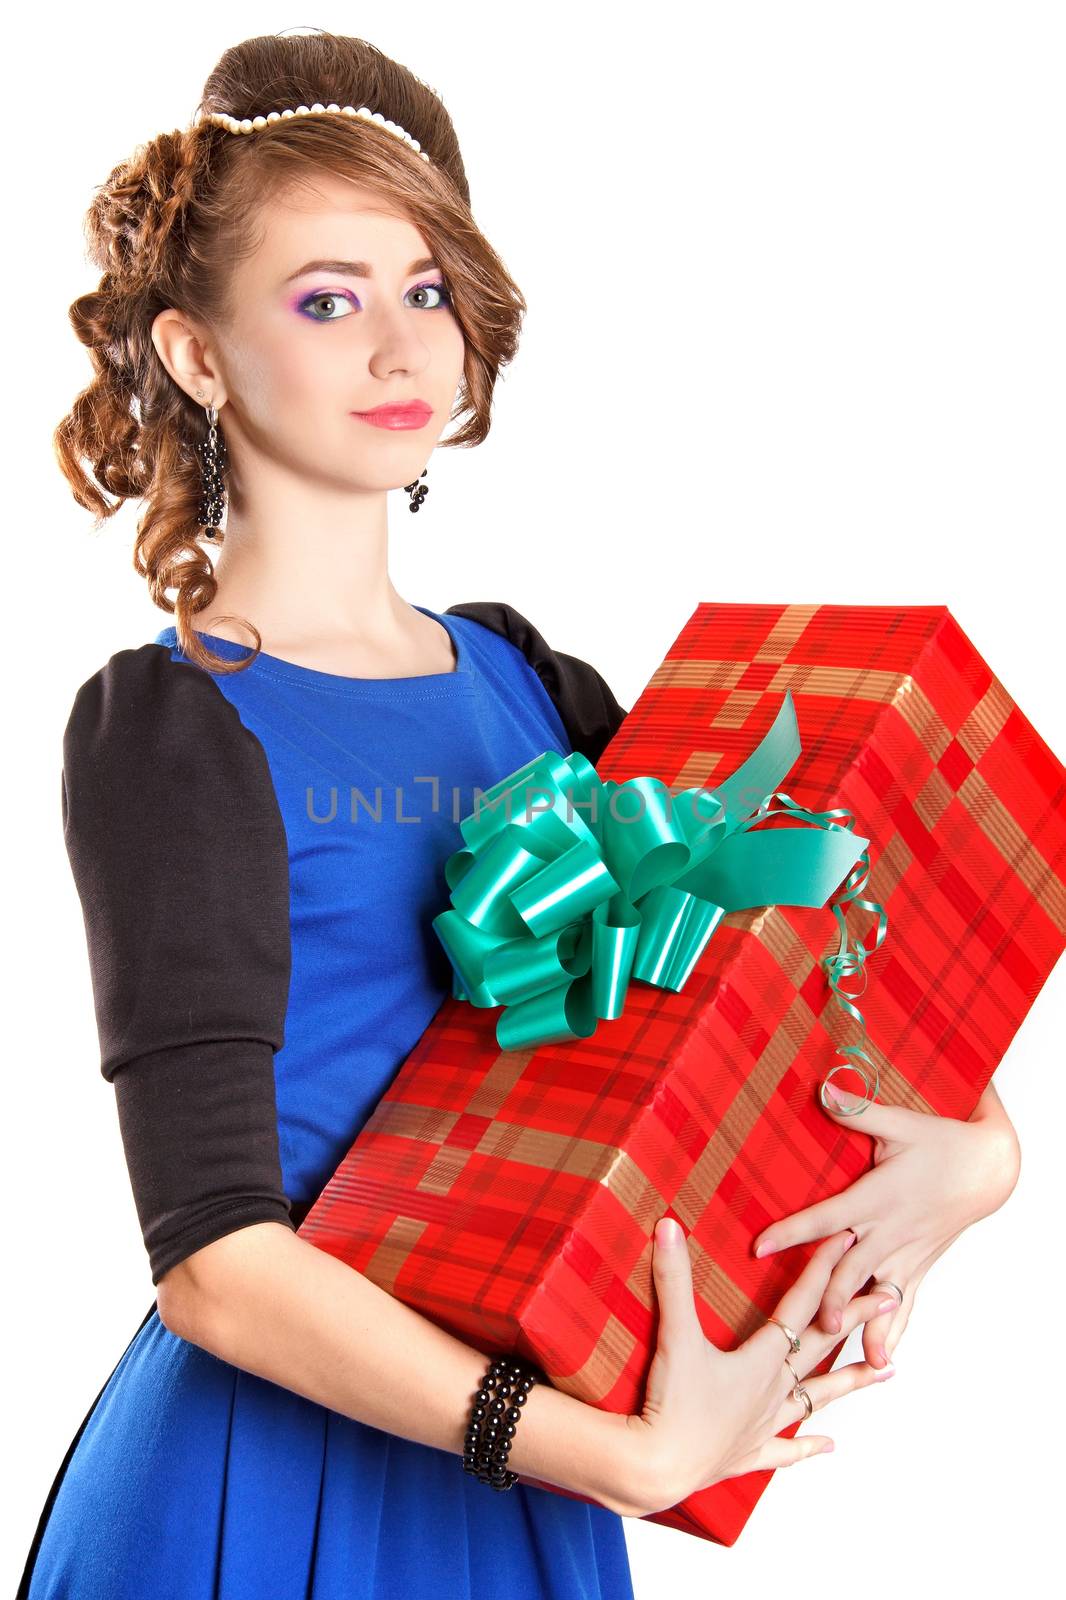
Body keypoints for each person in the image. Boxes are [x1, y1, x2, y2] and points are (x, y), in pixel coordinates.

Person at [19, 28, 1023, 1599]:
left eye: (424, 291)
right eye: (325, 298)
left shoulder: (535, 684)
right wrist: (606, 1452)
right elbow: (216, 1261)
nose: (398, 348)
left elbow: (746, 1015)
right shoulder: (169, 727)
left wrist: (967, 1170)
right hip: (274, 1478)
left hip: (525, 1467)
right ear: (196, 357)